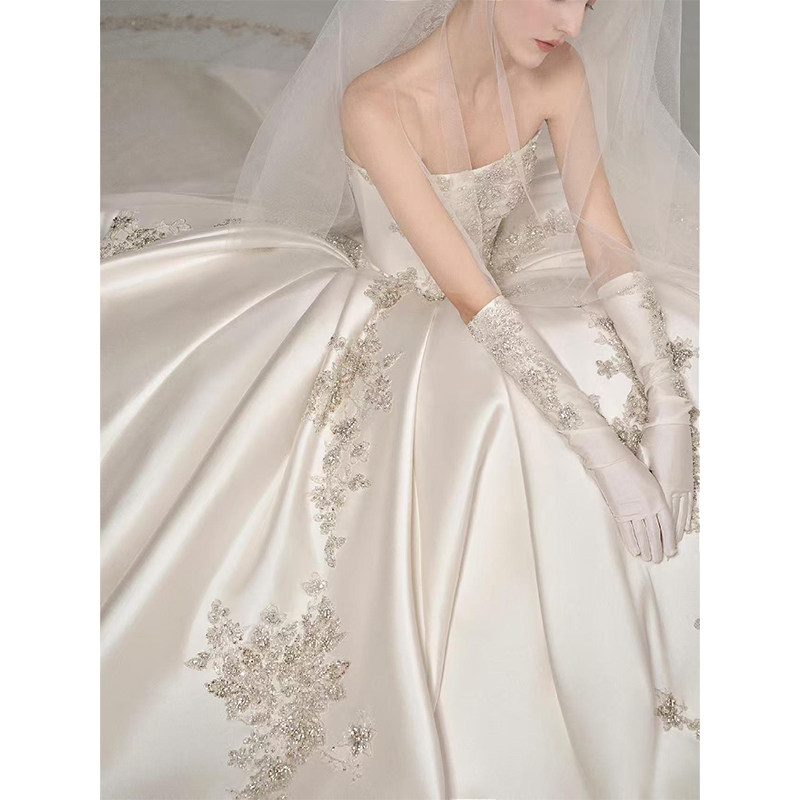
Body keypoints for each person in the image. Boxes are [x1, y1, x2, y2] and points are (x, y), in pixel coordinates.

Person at [101, 1, 699, 798]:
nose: (573, 23)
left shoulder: (560, 74)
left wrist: (668, 406)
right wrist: (605, 455)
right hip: (426, 312)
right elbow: (475, 302)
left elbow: (605, 244)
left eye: (587, 2)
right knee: (501, 421)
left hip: (506, 289)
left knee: (688, 342)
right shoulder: (376, 104)